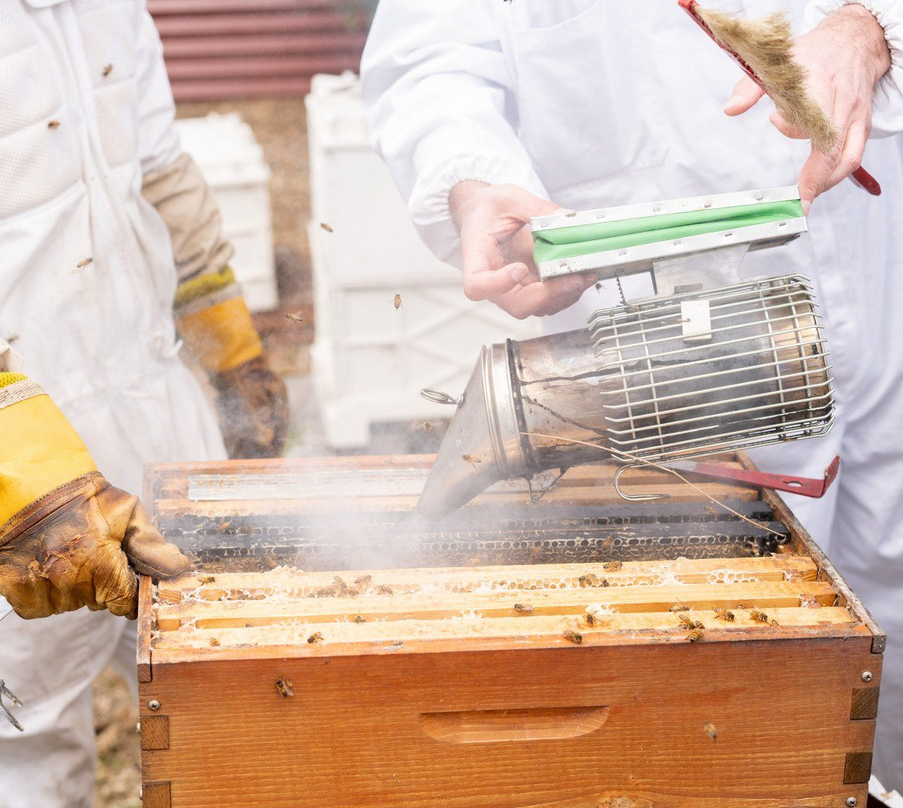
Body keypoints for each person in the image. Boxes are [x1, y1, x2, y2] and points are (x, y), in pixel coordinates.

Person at [362, 0, 903, 791]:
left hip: (883, 270)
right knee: (730, 686)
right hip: (672, 365)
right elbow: (430, 62)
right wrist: (473, 180)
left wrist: (871, 30)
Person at [0, 2, 286, 805]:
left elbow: (154, 171)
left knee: (237, 718)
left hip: (149, 418)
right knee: (11, 772)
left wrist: (230, 349)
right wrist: (12, 472)